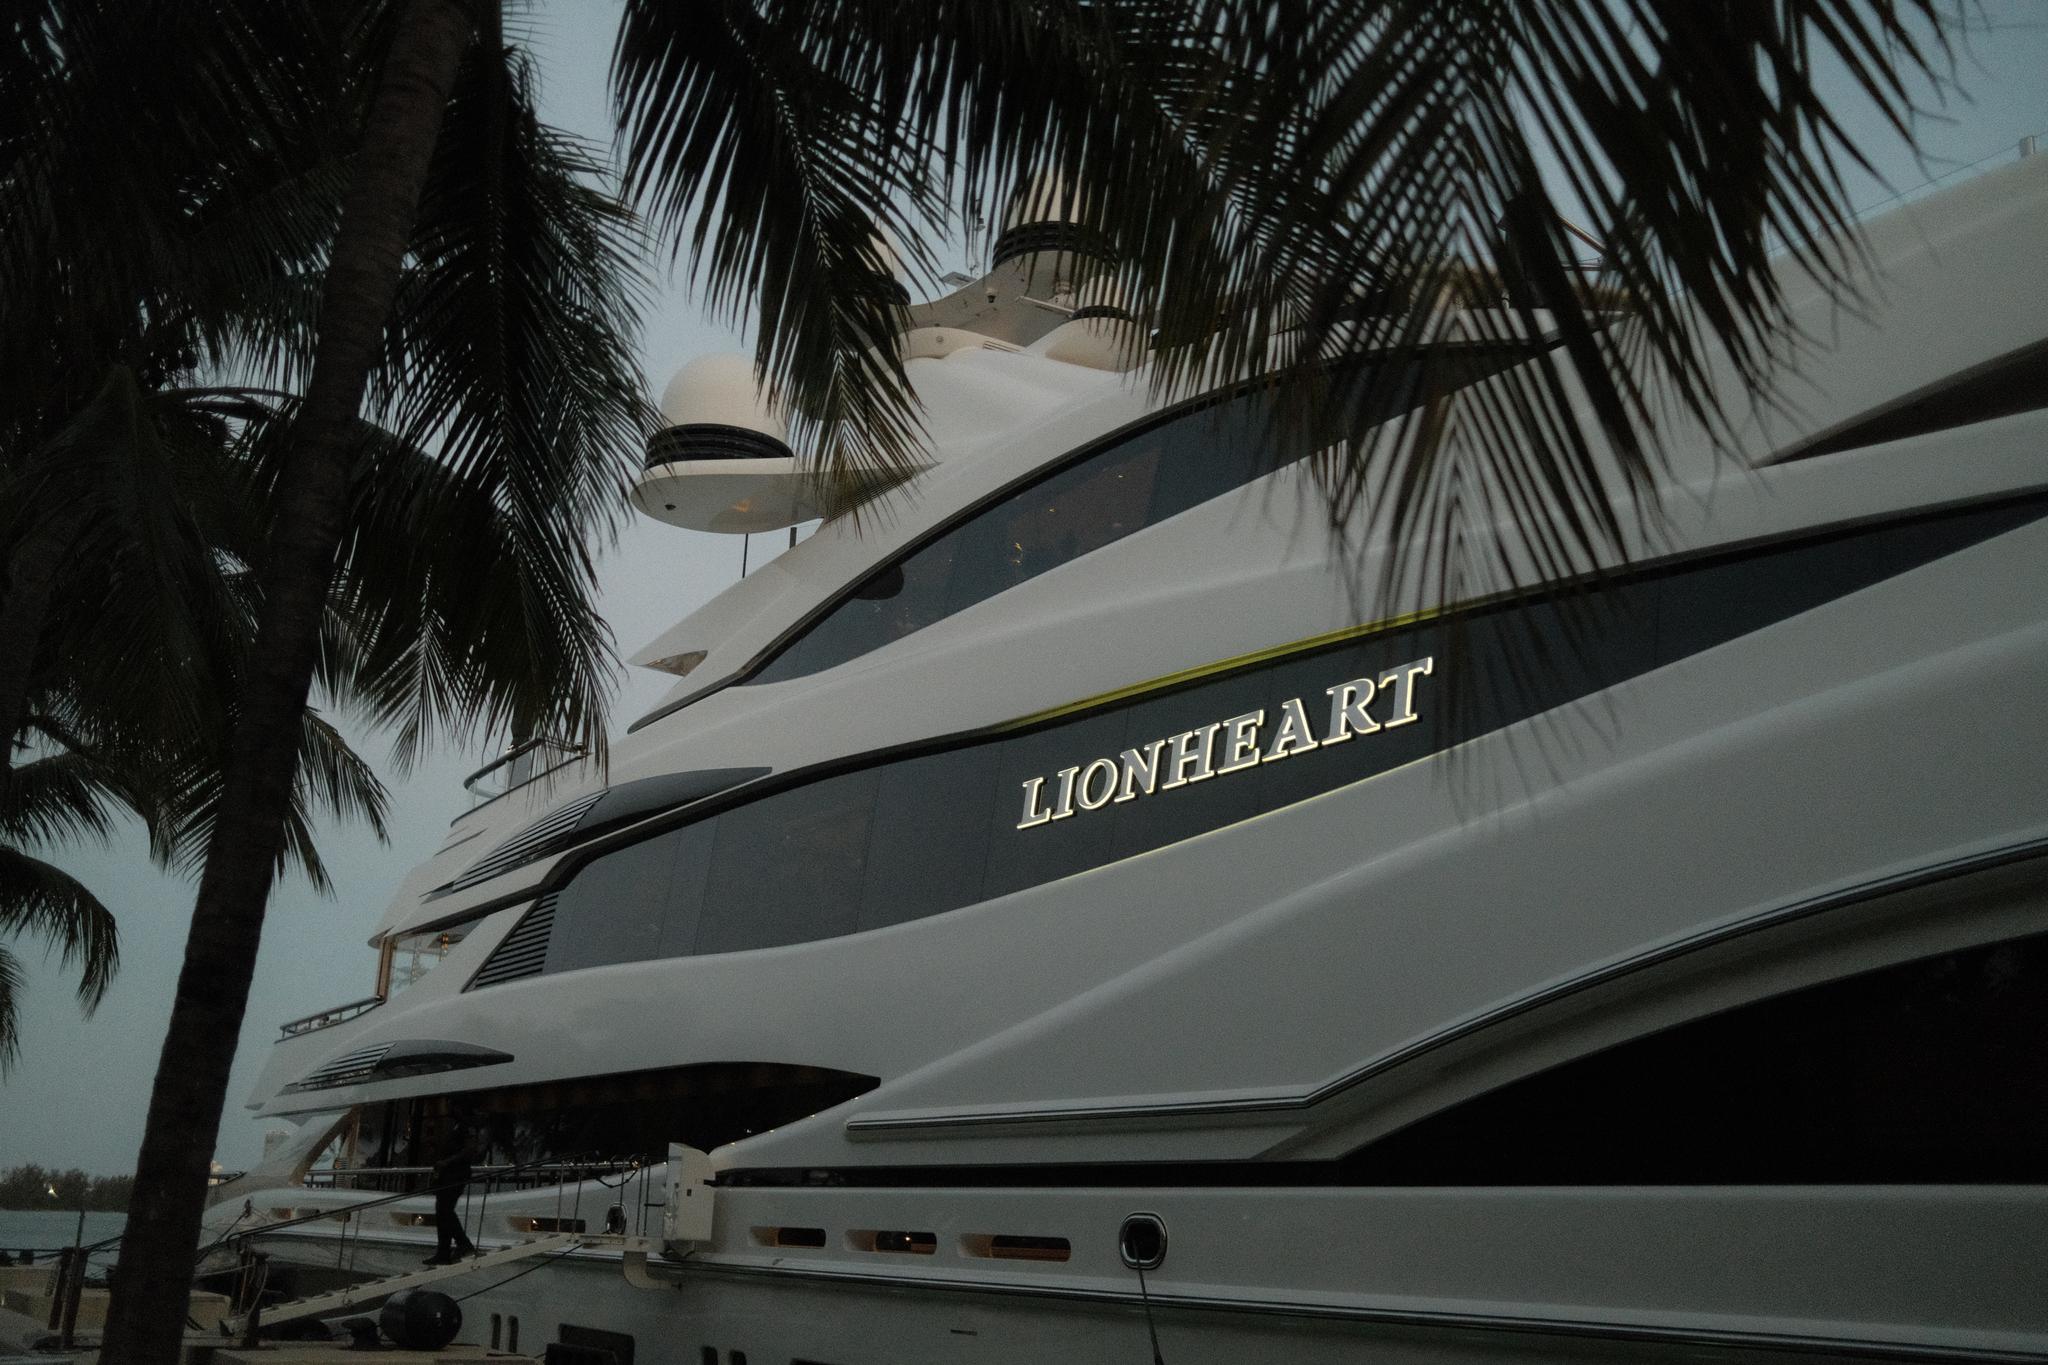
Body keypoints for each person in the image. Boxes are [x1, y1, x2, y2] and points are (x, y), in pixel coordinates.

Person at [424, 1128, 481, 1265]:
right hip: (447, 1175)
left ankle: (462, 1244)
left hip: (455, 1175)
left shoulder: (466, 1126)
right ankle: (444, 1251)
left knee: (445, 1211)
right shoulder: (455, 1127)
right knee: (441, 1212)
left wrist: (447, 1162)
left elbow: (470, 1150)